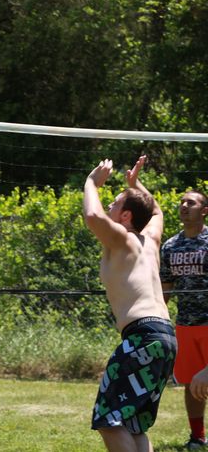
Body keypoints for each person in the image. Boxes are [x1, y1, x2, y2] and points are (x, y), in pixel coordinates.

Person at [83, 155, 176, 451]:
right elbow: (156, 212)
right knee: (133, 423)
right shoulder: (151, 240)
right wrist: (135, 185)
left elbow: (93, 217)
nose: (109, 205)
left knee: (108, 419)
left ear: (126, 217)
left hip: (142, 336)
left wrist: (91, 183)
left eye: (115, 203)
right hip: (165, 338)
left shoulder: (123, 239)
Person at [160, 190, 208, 449]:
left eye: (191, 202)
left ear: (204, 210)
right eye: (182, 202)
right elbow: (165, 288)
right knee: (192, 384)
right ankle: (197, 437)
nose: (184, 206)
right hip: (185, 326)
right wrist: (159, 320)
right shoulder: (170, 246)